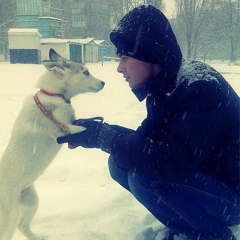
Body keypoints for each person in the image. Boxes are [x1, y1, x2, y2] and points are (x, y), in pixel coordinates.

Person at [57, 5, 239, 240]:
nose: (119, 68)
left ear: (150, 54)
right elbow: (145, 141)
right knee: (121, 164)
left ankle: (213, 235)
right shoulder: (164, 87)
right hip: (205, 181)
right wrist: (97, 133)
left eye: (124, 57)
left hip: (231, 195)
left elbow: (173, 163)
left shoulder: (201, 90)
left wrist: (106, 137)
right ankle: (188, 221)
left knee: (145, 177)